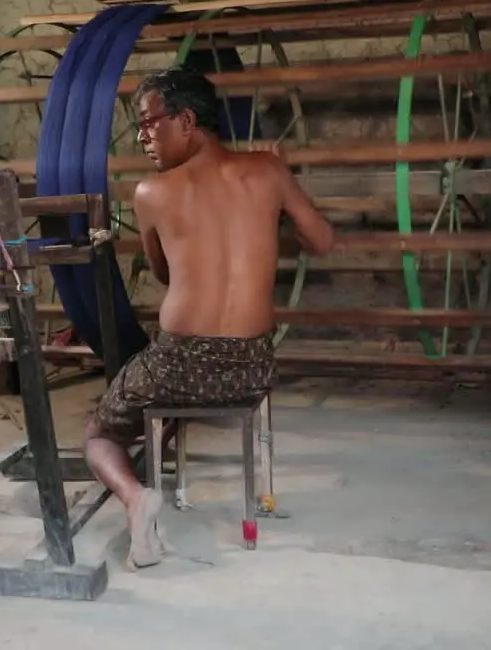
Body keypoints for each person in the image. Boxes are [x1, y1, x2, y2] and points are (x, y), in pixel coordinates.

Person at [83, 65, 336, 569]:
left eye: (150, 122)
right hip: (252, 367)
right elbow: (324, 242)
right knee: (168, 395)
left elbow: (162, 273)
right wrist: (269, 213)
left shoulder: (151, 193)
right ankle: (151, 488)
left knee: (99, 435)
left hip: (178, 364)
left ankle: (136, 497)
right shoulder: (267, 171)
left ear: (187, 120)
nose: (143, 137)